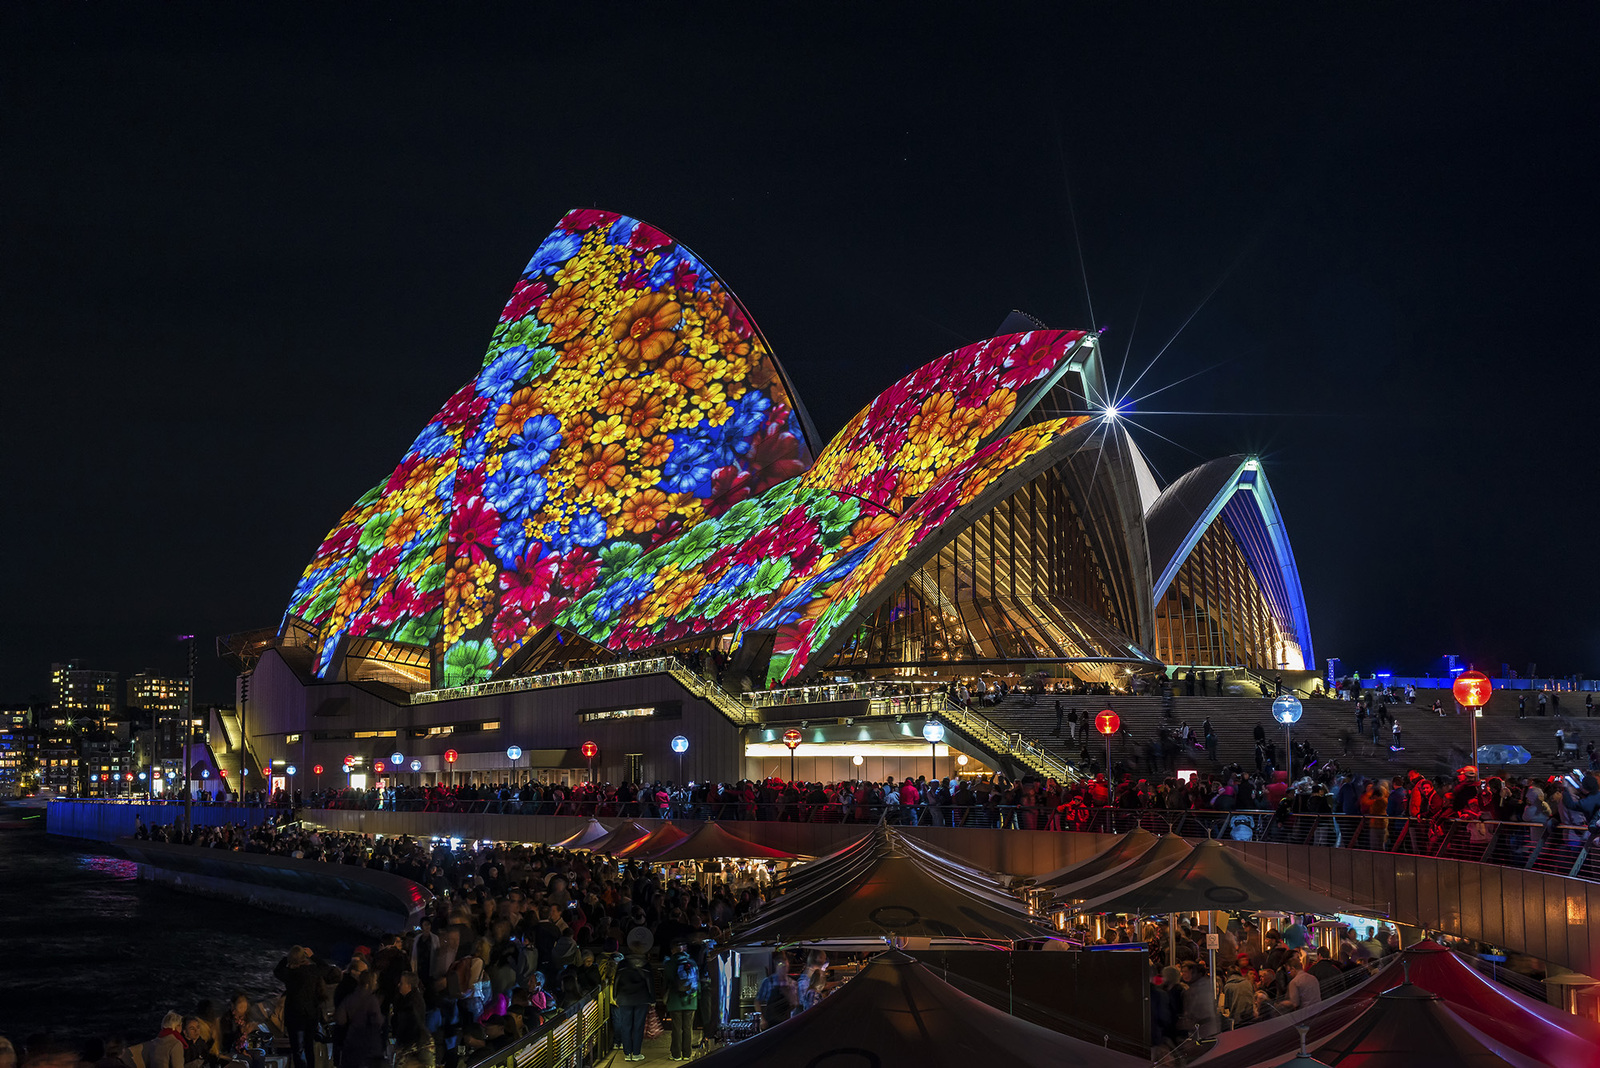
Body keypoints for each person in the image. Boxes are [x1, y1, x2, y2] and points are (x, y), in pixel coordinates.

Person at [273, 947, 326, 1068]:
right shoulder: (312, 971)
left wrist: (287, 958)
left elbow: (277, 971)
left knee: (298, 1049)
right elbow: (325, 968)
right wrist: (313, 956)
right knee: (309, 1047)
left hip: (295, 1015)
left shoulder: (289, 974)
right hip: (311, 1014)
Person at [613, 927, 656, 1061]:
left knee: (626, 1025)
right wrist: (652, 999)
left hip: (624, 998)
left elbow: (616, 981)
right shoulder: (646, 965)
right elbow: (650, 983)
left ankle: (627, 1053)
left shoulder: (623, 964)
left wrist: (615, 996)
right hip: (641, 998)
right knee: (638, 1026)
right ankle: (636, 1053)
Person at [333, 971, 384, 1068]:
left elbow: (340, 1019)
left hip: (351, 1040)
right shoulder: (372, 1000)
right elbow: (377, 1021)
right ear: (370, 982)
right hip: (367, 1043)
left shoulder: (350, 998)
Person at [664, 937, 699, 1061]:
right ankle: (687, 1054)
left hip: (675, 1000)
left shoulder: (670, 963)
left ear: (673, 950)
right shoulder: (693, 962)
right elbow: (697, 982)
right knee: (688, 1028)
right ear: (684, 949)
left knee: (677, 1028)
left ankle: (676, 1054)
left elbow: (666, 982)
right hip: (691, 1000)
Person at [1178, 960, 1220, 1040]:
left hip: (1203, 1028)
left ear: (1193, 973)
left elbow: (1195, 1010)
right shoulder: (1194, 986)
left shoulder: (1198, 987)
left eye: (1185, 972)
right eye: (1182, 972)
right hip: (1203, 1028)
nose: (1183, 974)